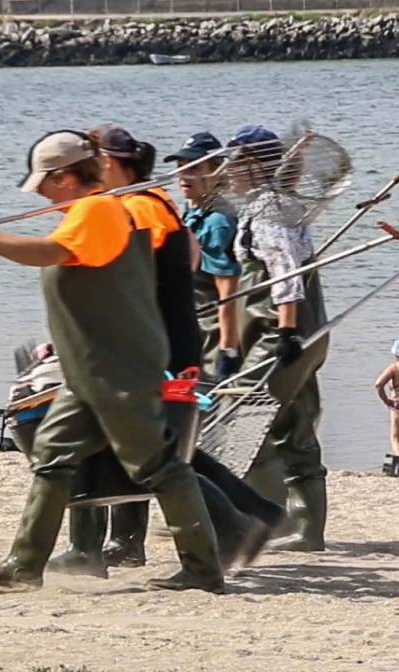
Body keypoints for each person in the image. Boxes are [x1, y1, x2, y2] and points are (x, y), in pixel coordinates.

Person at [0, 129, 223, 593]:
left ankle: (203, 570)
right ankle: (24, 565)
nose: (42, 195)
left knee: (161, 468)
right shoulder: (89, 211)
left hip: (119, 373)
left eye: (45, 184)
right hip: (88, 373)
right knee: (52, 458)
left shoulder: (97, 210)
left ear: (68, 177)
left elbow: (48, 252)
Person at [46, 125, 282, 577]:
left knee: (154, 452)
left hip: (159, 349)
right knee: (144, 446)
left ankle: (237, 524)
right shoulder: (138, 205)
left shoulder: (141, 209)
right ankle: (119, 542)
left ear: (110, 164)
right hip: (151, 343)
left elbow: (165, 276)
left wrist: (228, 344)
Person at [228, 124, 331, 553]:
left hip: (282, 332)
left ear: (253, 165)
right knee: (295, 423)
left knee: (242, 414)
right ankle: (308, 529)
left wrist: (285, 331)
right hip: (312, 331)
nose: (226, 171)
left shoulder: (268, 210)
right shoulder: (284, 205)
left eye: (233, 162)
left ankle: (265, 518)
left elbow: (283, 271)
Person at [165, 131, 243, 381]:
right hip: (188, 322)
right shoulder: (192, 210)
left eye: (195, 168)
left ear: (217, 172)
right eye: (180, 167)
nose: (184, 176)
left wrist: (228, 350)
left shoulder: (218, 222)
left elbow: (228, 293)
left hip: (210, 332)